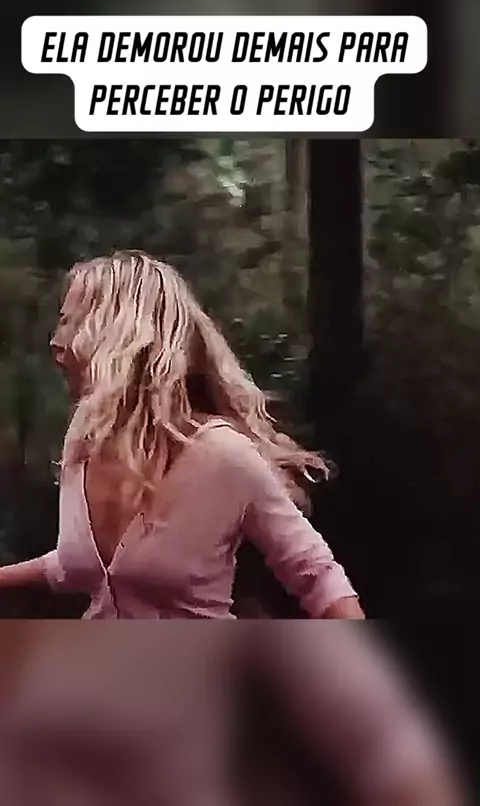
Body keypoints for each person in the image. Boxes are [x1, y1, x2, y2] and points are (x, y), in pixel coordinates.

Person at [0, 251, 363, 620]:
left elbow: (317, 575)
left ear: (119, 337)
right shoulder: (84, 440)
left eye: (70, 322)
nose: (56, 341)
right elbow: (76, 563)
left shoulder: (223, 455)